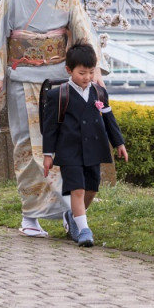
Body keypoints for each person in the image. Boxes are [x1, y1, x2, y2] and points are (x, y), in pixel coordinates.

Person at [0, 0, 107, 239]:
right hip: (23, 79)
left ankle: (69, 211)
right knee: (27, 146)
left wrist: (94, 69)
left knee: (62, 146)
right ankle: (30, 215)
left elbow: (83, 32)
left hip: (60, 84)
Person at [41, 43, 128, 247]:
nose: (87, 77)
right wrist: (48, 154)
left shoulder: (99, 93)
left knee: (91, 189)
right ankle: (84, 231)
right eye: (82, 73)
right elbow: (50, 127)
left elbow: (109, 119)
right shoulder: (58, 95)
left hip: (93, 149)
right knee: (77, 190)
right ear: (69, 70)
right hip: (69, 149)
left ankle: (73, 216)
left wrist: (119, 143)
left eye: (90, 72)